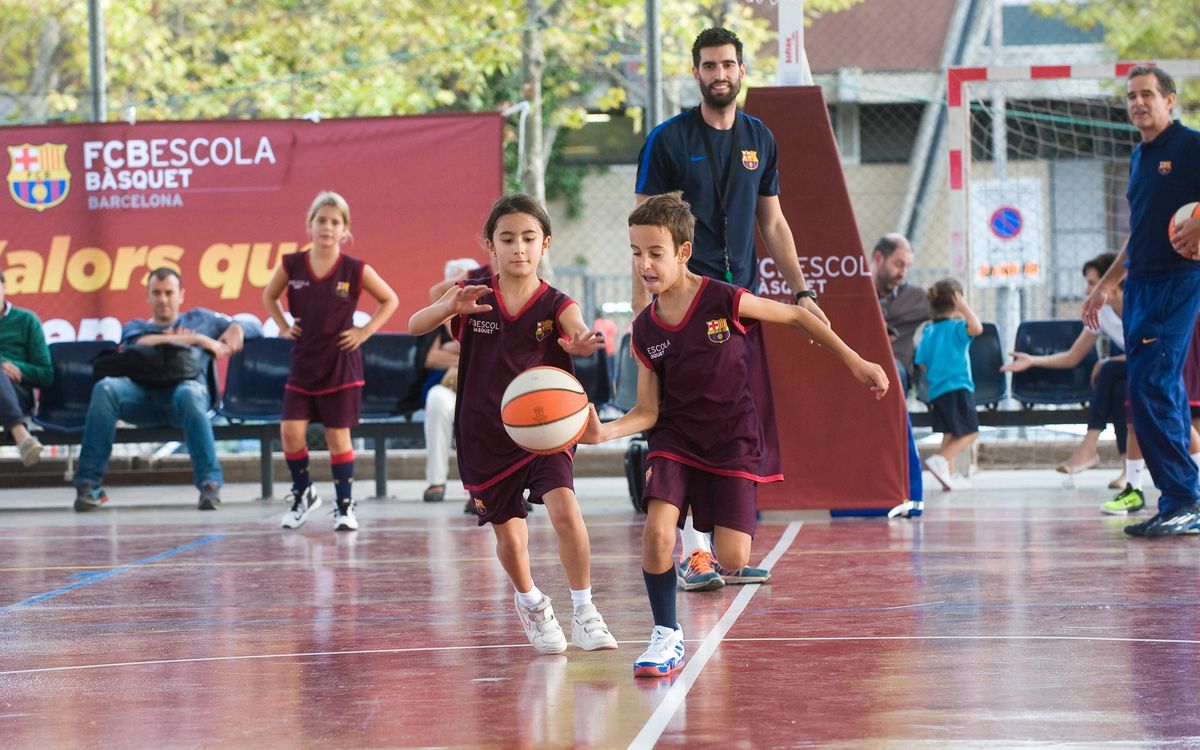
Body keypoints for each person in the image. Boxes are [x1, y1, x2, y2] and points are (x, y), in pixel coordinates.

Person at [580, 192, 888, 677]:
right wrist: (605, 432)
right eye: (636, 253)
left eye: (655, 252)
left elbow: (797, 316)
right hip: (675, 438)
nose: (644, 263)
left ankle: (702, 535)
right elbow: (647, 410)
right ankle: (666, 635)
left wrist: (856, 361)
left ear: (683, 253)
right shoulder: (644, 330)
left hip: (732, 438)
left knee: (733, 557)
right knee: (657, 531)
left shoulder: (725, 298)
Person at [634, 27, 828, 590]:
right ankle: (692, 553)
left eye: (729, 65)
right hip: (680, 304)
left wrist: (803, 292)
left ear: (742, 71)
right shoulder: (667, 140)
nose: (720, 74)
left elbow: (772, 222)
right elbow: (645, 233)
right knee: (681, 418)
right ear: (695, 73)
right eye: (710, 66)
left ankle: (717, 547)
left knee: (729, 416)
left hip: (737, 303)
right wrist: (641, 311)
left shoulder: (760, 139)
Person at [408, 193, 618, 655]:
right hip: (484, 432)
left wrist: (581, 341)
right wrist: (447, 307)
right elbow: (414, 325)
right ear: (491, 245)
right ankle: (531, 601)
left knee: (566, 510)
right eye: (507, 239)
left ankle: (584, 611)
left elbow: (576, 325)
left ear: (546, 244)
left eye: (528, 238)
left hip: (547, 431)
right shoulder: (473, 294)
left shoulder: (556, 303)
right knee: (512, 538)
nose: (518, 248)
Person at [1083, 65, 1200, 537]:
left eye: (1147, 94)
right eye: (1131, 96)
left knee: (1151, 385)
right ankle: (1181, 498)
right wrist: (1106, 283)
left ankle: (1183, 499)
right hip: (1141, 286)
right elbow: (1140, 232)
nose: (1138, 103)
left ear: (1169, 100)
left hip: (1179, 280)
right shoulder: (1139, 157)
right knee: (1156, 387)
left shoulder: (1190, 146)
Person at [264, 191, 399, 532]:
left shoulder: (354, 269)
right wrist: (282, 325)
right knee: (290, 432)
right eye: (321, 220)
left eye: (335, 222)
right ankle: (303, 492)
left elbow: (389, 300)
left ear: (345, 230)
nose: (327, 226)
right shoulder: (291, 264)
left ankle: (344, 505)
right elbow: (268, 295)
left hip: (341, 365)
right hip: (304, 362)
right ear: (309, 225)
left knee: (339, 439)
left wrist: (365, 331)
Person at [73, 267, 259, 511]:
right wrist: (199, 340)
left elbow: (256, 326)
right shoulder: (136, 326)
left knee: (190, 392)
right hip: (141, 401)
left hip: (183, 402)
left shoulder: (201, 319)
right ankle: (89, 487)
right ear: (147, 296)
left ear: (181, 295)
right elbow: (141, 342)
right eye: (156, 293)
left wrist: (238, 327)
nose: (163, 299)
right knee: (106, 388)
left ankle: (210, 485)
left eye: (169, 293)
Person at [1002, 252, 1127, 486]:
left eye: (1093, 283)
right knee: (1119, 390)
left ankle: (1088, 449)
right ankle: (1127, 469)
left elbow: (1153, 346)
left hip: (1162, 366)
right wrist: (1033, 360)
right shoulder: (1102, 312)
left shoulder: (1139, 302)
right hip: (1129, 372)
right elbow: (1072, 356)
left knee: (1109, 371)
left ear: (1112, 279)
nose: (1087, 290)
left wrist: (1112, 361)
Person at [419, 257, 479, 511]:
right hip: (449, 387)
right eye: (453, 285)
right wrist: (461, 352)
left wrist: (453, 349)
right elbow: (430, 359)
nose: (458, 291)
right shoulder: (438, 318)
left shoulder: (485, 313)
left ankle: (481, 488)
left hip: (480, 388)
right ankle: (436, 481)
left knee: (481, 407)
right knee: (436, 401)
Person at [914, 279, 983, 491]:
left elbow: (921, 363)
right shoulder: (956, 328)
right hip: (958, 387)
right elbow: (977, 328)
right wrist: (963, 307)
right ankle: (941, 460)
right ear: (957, 301)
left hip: (937, 391)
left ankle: (949, 477)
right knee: (970, 432)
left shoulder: (929, 331)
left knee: (950, 433)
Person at [0, 268, 51, 467]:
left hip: (18, 395)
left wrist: (19, 369)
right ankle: (22, 437)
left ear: (4, 288)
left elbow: (46, 375)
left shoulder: (27, 320)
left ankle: (20, 432)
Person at [872, 234, 928, 394]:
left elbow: (954, 311)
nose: (903, 273)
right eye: (898, 264)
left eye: (907, 267)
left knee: (888, 372)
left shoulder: (916, 297)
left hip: (895, 368)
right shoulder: (855, 292)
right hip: (859, 362)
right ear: (878, 258)